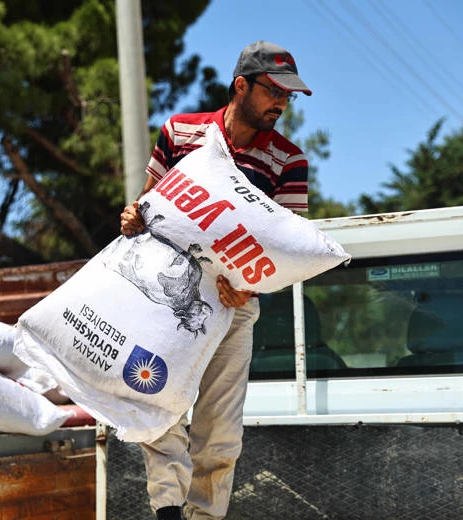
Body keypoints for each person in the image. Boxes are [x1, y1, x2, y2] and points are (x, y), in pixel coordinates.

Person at [119, 40, 312, 520]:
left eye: (288, 96)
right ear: (241, 85)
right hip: (165, 293)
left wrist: (249, 287)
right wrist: (132, 216)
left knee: (220, 431)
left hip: (234, 305)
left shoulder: (288, 161)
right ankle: (168, 508)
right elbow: (148, 203)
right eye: (274, 91)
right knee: (156, 397)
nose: (281, 103)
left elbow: (289, 248)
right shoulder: (180, 132)